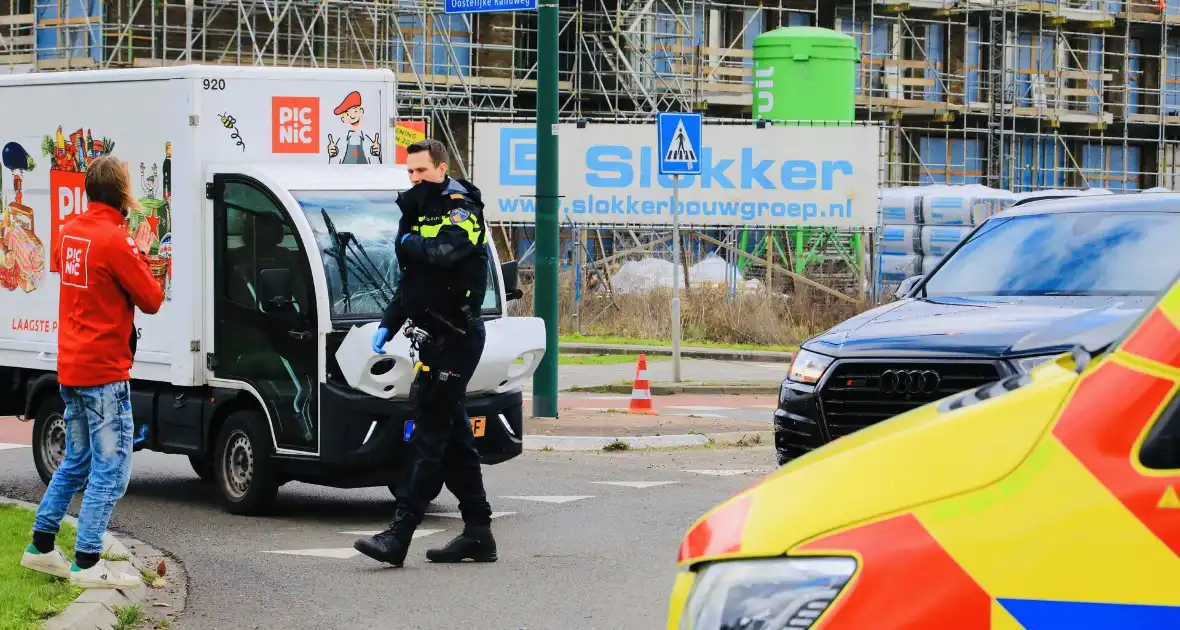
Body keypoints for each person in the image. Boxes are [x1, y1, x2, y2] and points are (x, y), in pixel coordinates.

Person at [21, 156, 165, 589]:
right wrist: (139, 249)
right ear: (123, 194)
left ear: (86, 190)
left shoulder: (70, 233)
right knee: (112, 466)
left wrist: (129, 246)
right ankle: (87, 559)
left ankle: (41, 545)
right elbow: (152, 298)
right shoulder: (116, 241)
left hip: (72, 367)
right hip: (104, 371)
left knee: (76, 460)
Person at [353, 138, 495, 567]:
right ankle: (478, 532)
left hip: (458, 338)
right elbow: (415, 279)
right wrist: (389, 321)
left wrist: (409, 240)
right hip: (432, 337)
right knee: (454, 438)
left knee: (430, 434)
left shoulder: (460, 206)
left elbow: (443, 252)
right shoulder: (418, 209)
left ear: (441, 167)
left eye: (421, 171)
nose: (414, 179)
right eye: (410, 172)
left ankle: (399, 533)